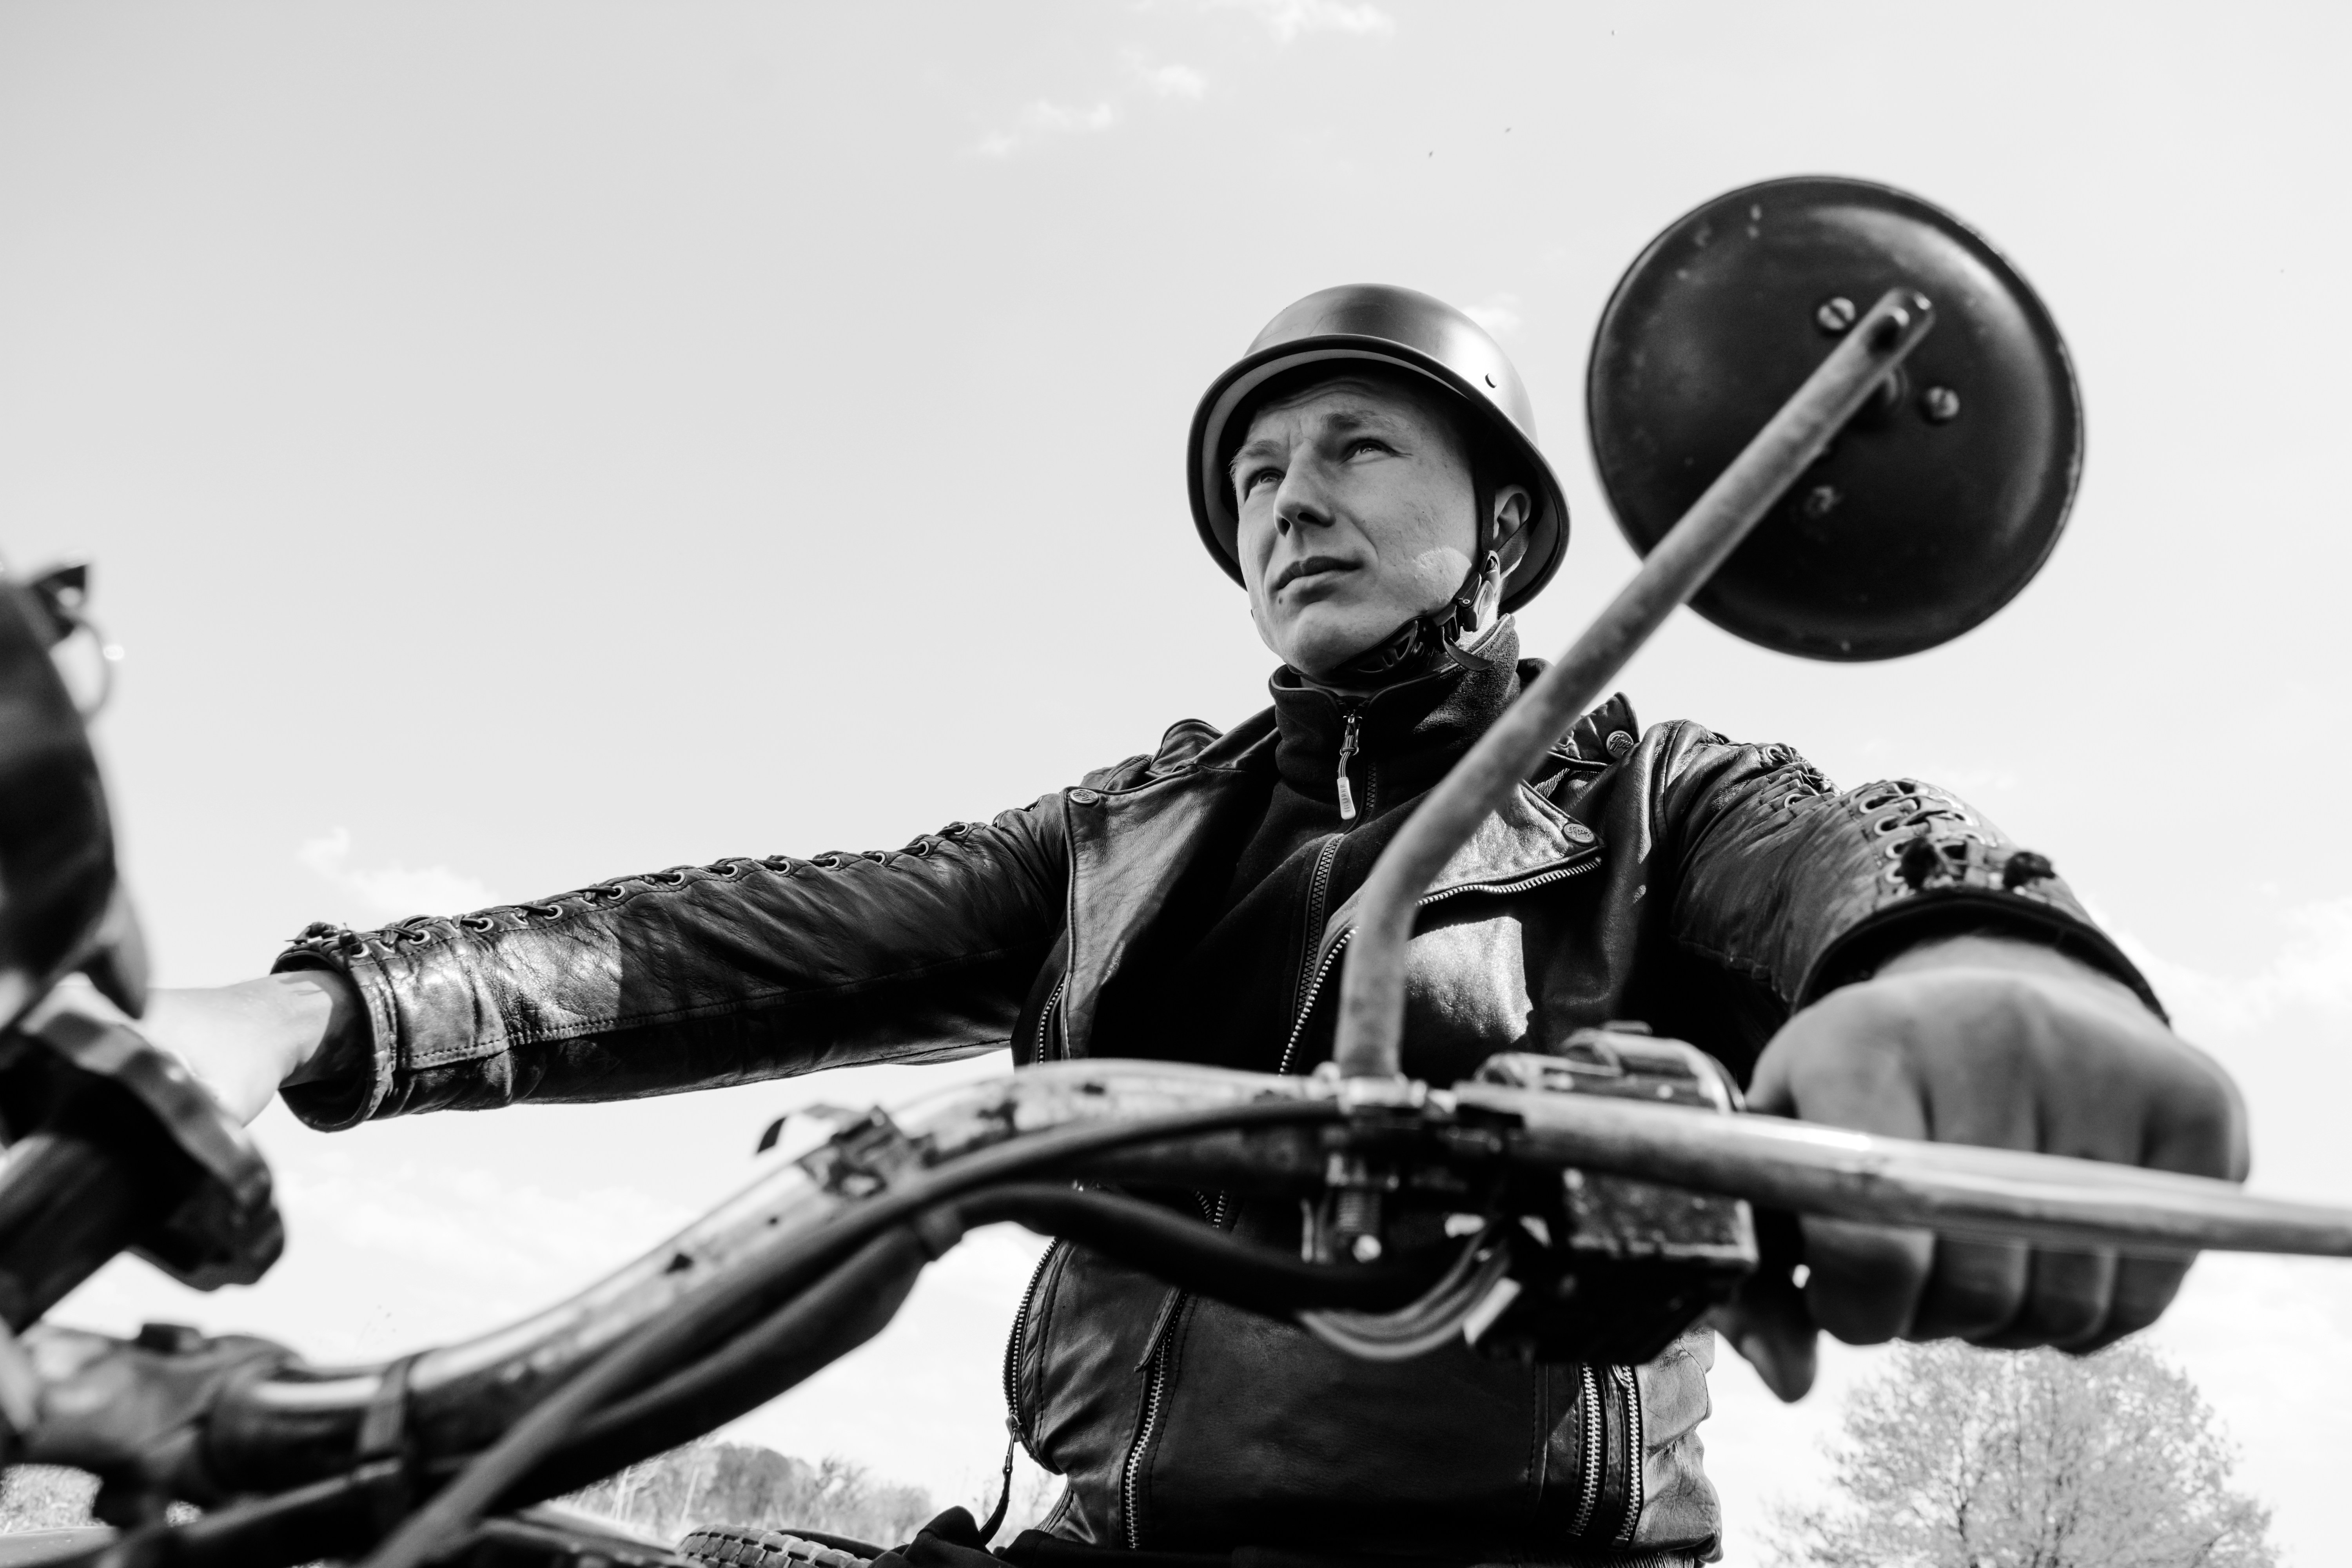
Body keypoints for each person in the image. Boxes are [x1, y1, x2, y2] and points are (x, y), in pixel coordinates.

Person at [138, 285, 2245, 1566]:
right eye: (1255, 475)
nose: (1290, 501)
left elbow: (1866, 866)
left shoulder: (1652, 790)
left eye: (1352, 449)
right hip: (1095, 1542)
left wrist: (1982, 981)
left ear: (1506, 532)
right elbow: (741, 941)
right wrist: (298, 1013)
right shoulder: (1126, 833)